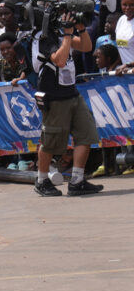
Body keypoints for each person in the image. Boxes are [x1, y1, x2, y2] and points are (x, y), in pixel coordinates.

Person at [32, 11, 104, 196]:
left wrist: (80, 28)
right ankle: (42, 181)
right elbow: (60, 60)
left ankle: (77, 180)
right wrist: (66, 34)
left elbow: (87, 47)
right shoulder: (43, 37)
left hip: (72, 93)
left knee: (86, 134)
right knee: (51, 141)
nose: (66, 16)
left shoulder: (62, 32)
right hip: (54, 96)